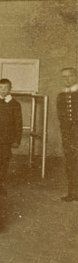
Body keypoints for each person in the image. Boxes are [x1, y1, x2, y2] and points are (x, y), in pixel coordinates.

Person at [0, 78, 23, 196]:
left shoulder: (15, 104)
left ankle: (1, 184)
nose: (3, 90)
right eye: (1, 87)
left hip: (6, 139)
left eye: (6, 88)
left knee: (4, 161)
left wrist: (17, 140)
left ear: (10, 89)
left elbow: (18, 123)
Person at [57, 67, 78, 202]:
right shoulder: (61, 96)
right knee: (70, 163)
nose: (67, 79)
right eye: (64, 77)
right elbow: (61, 118)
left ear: (75, 77)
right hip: (69, 137)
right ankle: (73, 192)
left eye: (69, 76)